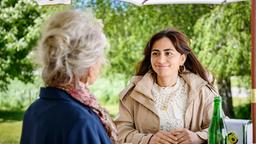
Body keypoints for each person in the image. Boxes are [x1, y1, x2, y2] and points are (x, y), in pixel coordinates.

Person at [20, 10, 117, 144]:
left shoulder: (34, 111)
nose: (102, 61)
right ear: (87, 62)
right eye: (100, 54)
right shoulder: (81, 122)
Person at [115, 29, 218, 144]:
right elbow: (119, 132)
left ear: (182, 59)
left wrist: (197, 137)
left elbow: (222, 127)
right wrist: (148, 140)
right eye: (155, 53)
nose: (161, 60)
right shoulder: (133, 93)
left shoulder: (202, 91)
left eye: (168, 53)